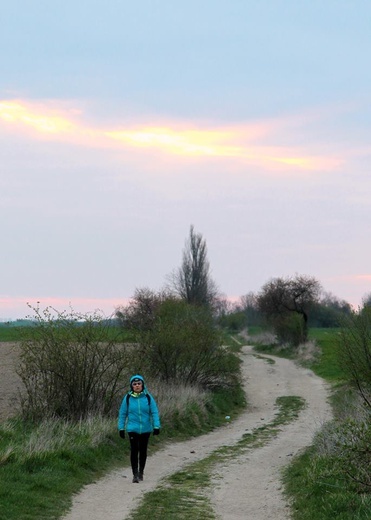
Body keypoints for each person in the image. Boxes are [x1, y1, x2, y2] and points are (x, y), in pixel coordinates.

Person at [118, 374, 161, 483]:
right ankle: (135, 474)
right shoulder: (127, 398)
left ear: (142, 385)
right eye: (135, 384)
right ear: (131, 386)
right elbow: (122, 414)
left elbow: (154, 412)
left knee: (143, 451)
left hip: (146, 429)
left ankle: (141, 472)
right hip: (132, 429)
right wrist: (121, 428)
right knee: (134, 451)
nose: (137, 386)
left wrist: (156, 426)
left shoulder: (148, 397)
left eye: (139, 384)